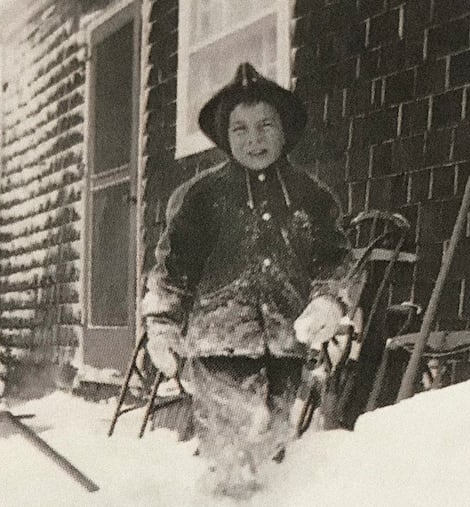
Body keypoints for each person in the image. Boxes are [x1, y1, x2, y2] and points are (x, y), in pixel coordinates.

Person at [141, 62, 352, 497]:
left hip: (288, 350)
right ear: (225, 136)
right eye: (240, 130)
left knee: (275, 463)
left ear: (284, 130)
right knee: (231, 464)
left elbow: (334, 262)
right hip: (220, 349)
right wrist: (162, 324)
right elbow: (174, 269)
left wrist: (328, 301)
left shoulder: (311, 198)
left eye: (264, 126)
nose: (253, 140)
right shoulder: (201, 198)